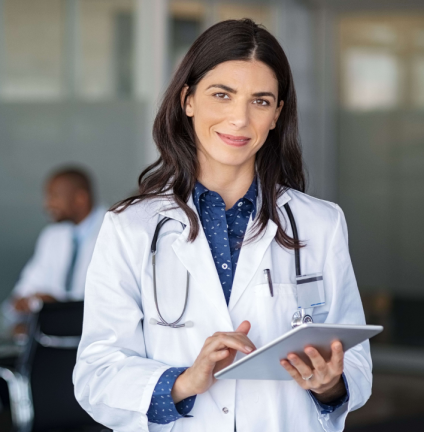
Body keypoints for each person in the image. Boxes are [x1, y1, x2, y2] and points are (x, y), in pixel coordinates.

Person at [73, 19, 371, 432]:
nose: (240, 119)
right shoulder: (131, 227)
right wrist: (182, 382)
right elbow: (96, 373)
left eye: (261, 101)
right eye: (222, 95)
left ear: (276, 115)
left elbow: (355, 359)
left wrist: (330, 384)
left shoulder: (320, 224)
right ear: (188, 100)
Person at [6, 167, 105, 315]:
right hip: (53, 332)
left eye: (55, 197)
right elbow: (26, 287)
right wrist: (25, 300)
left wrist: (58, 305)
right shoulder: (52, 236)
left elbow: (108, 300)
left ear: (80, 198)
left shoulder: (114, 232)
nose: (47, 205)